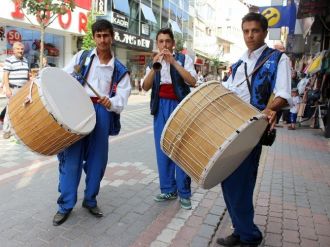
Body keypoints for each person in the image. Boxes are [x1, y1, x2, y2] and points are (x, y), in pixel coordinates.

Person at [219, 13, 291, 246]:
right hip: (231, 126)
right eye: (246, 31)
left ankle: (249, 235)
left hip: (252, 130)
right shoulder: (239, 63)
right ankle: (240, 230)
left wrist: (268, 110)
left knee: (240, 180)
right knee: (227, 178)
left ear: (264, 32)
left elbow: (283, 94)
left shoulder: (278, 59)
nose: (250, 35)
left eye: (255, 31)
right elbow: (228, 91)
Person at [53, 19, 131, 226]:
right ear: (94, 37)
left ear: (112, 37)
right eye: (99, 35)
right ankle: (65, 205)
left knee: (98, 160)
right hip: (78, 108)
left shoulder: (120, 69)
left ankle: (90, 199)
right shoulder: (83, 57)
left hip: (102, 112)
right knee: (71, 158)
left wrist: (111, 101)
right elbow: (64, 76)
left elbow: (122, 99)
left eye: (106, 35)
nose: (103, 39)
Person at [142, 27, 197, 210]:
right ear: (157, 44)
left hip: (180, 107)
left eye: (167, 41)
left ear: (173, 44)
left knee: (181, 150)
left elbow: (192, 81)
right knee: (163, 148)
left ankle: (184, 192)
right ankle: (168, 189)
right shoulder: (154, 62)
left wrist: (173, 62)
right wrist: (154, 66)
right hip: (160, 107)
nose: (164, 45)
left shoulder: (183, 59)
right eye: (161, 42)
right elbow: (145, 86)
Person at [2, 42, 30, 139]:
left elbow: (26, 75)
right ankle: (6, 130)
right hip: (13, 89)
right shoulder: (9, 60)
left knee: (21, 110)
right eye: (18, 49)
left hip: (22, 90)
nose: (20, 51)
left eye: (22, 49)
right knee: (10, 110)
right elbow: (5, 75)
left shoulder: (26, 60)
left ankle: (17, 130)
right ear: (13, 50)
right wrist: (7, 89)